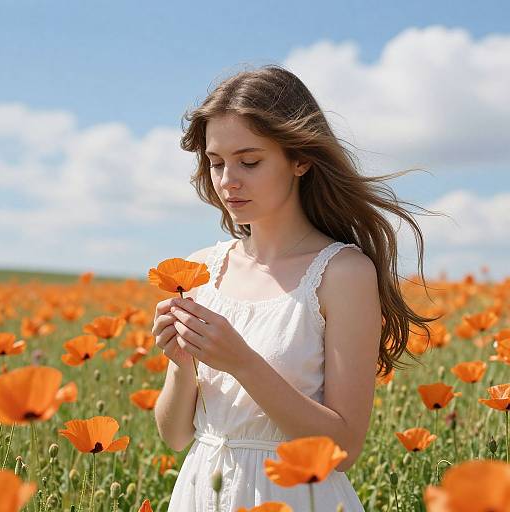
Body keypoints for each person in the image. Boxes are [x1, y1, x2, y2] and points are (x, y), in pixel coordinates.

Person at [152, 65, 440, 511]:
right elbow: (174, 436)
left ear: (300, 159)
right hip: (199, 493)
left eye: (249, 161)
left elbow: (343, 447)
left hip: (296, 494)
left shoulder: (342, 273)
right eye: (215, 162)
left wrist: (244, 363)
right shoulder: (198, 270)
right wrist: (180, 362)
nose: (228, 179)